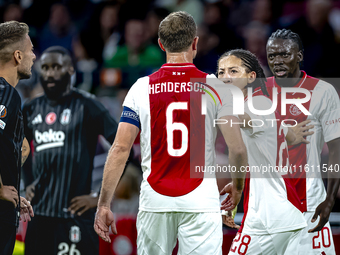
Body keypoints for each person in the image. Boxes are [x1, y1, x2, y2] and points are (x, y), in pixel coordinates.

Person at [94, 11, 248, 254]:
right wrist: (237, 187)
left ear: (160, 44)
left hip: (156, 200)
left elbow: (121, 148)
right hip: (200, 200)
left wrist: (103, 203)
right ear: (195, 43)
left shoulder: (141, 88)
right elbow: (237, 148)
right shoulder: (216, 87)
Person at [23, 46, 118, 255]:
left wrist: (101, 196)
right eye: (45, 67)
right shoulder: (30, 108)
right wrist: (28, 181)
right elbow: (16, 148)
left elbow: (122, 147)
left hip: (77, 218)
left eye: (56, 67)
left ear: (71, 70)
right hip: (39, 217)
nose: (49, 73)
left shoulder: (88, 106)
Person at [218, 49, 312, 254]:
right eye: (221, 72)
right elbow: (282, 137)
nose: (225, 77)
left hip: (270, 217)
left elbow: (238, 119)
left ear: (251, 77)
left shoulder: (257, 103)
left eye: (233, 71)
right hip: (277, 213)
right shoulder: (262, 104)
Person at [266, 28, 340, 255]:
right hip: (268, 206)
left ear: (299, 55)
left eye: (284, 55)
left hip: (309, 204)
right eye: (271, 56)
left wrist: (329, 199)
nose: (277, 61)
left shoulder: (322, 91)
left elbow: (336, 149)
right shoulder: (257, 92)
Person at [0, 20, 35, 255]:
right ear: (18, 56)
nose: (35, 56)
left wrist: (10, 189)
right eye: (31, 50)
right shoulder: (5, 93)